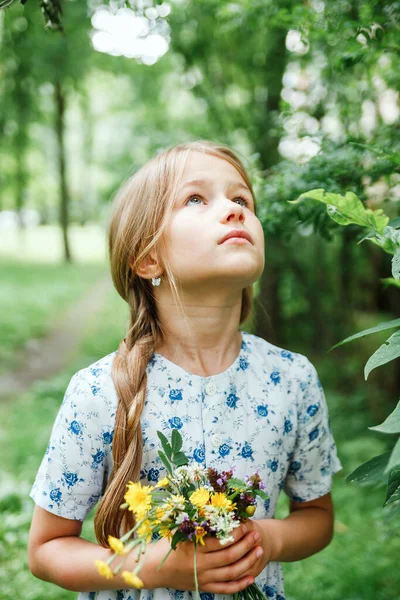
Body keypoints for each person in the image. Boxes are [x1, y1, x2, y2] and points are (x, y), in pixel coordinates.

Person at [28, 140, 343, 600]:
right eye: (196, 199)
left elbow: (317, 516)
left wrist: (268, 539)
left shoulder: (292, 380)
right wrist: (156, 566)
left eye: (241, 199)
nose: (234, 211)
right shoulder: (99, 392)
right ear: (147, 258)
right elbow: (46, 549)